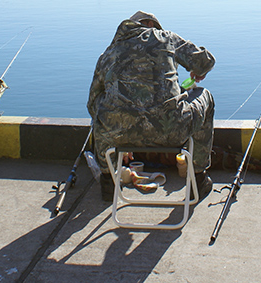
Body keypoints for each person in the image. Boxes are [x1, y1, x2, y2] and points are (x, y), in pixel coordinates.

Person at [87, 11, 216, 200]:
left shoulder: (108, 54)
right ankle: (198, 179)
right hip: (173, 131)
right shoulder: (165, 38)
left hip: (118, 134)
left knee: (101, 116)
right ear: (149, 24)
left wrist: (119, 129)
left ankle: (109, 182)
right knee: (204, 96)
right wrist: (199, 71)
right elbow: (206, 61)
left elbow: (93, 102)